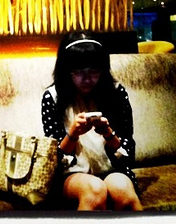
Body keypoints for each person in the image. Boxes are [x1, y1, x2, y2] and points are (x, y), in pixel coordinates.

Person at [41, 30, 143, 211]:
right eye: (78, 71)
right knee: (95, 190)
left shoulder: (116, 93)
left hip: (112, 169)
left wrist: (108, 133)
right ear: (66, 70)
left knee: (124, 193)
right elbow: (53, 161)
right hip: (70, 174)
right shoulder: (53, 97)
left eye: (94, 71)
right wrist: (72, 135)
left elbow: (129, 154)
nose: (87, 79)